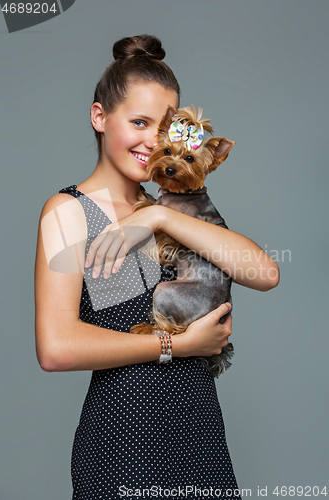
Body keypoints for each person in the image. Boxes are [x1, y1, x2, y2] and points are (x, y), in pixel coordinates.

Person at [34, 34, 279, 499]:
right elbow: (56, 347)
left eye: (163, 126)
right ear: (100, 117)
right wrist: (177, 345)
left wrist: (161, 214)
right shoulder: (67, 212)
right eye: (139, 121)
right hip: (120, 435)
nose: (152, 140)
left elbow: (264, 273)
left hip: (198, 428)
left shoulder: (174, 206)